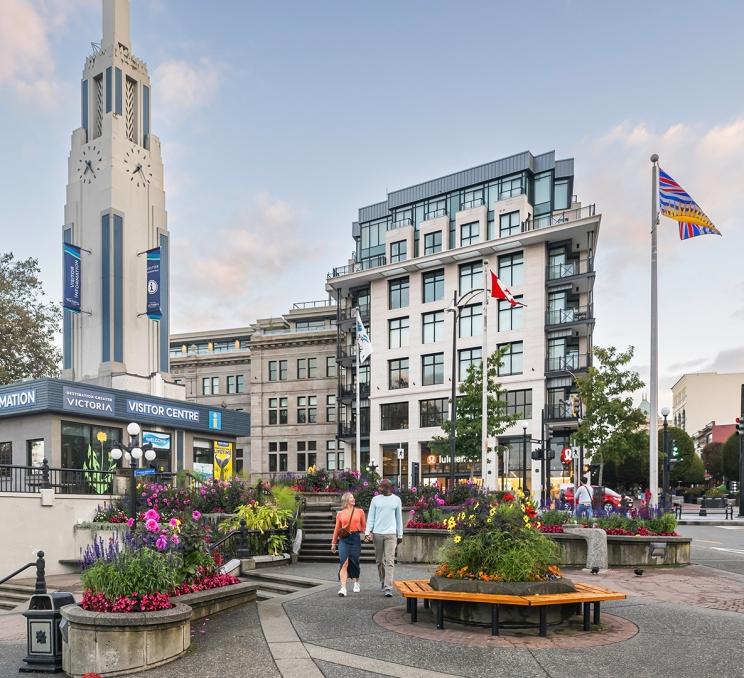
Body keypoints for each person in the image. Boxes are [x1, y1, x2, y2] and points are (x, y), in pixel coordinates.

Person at [364, 479, 403, 597]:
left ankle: (388, 587)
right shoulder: (375, 500)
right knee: (379, 561)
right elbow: (371, 517)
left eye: (382, 487)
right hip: (377, 534)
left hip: (391, 534)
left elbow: (399, 518)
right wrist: (367, 532)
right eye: (379, 487)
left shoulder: (396, 500)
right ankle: (382, 580)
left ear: (389, 488)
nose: (379, 489)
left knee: (390, 561)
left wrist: (400, 534)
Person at [331, 492, 366, 597]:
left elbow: (364, 526)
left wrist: (367, 535)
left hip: (355, 538)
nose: (353, 499)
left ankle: (356, 582)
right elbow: (337, 529)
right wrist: (333, 543)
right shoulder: (340, 514)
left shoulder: (360, 512)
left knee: (355, 561)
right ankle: (343, 588)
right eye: (351, 498)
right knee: (343, 562)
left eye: (353, 497)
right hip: (344, 539)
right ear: (346, 500)